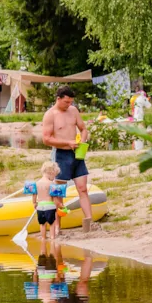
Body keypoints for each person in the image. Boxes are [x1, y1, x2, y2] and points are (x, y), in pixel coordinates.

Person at [42, 86, 93, 232]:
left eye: (70, 102)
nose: (68, 105)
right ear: (58, 99)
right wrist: (67, 143)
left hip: (77, 154)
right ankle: (58, 227)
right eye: (66, 102)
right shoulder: (50, 115)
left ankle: (89, 223)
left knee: (83, 188)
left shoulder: (73, 110)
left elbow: (83, 128)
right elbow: (46, 139)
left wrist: (82, 142)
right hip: (61, 155)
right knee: (59, 192)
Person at [23, 161, 66, 241]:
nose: (54, 177)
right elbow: (55, 198)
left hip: (40, 206)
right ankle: (52, 238)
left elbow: (34, 195)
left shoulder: (36, 183)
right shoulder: (51, 184)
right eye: (54, 175)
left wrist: (34, 203)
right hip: (49, 205)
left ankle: (43, 238)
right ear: (51, 172)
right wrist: (60, 204)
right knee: (52, 223)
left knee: (42, 224)